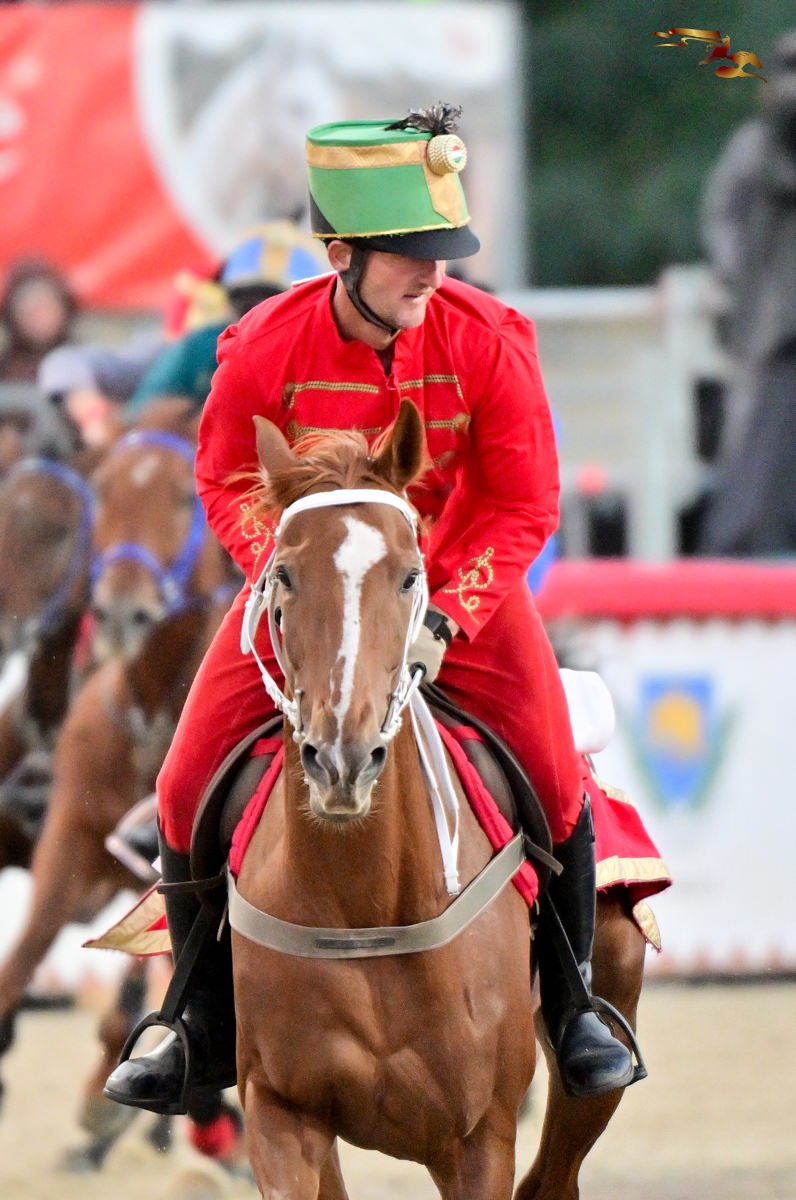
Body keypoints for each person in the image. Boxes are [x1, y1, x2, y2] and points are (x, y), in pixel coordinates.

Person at [104, 104, 637, 1116]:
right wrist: (290, 578)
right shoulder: (260, 345)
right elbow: (223, 478)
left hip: (461, 598)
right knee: (179, 785)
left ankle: (573, 1008)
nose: (433, 275)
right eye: (409, 257)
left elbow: (525, 502)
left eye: (443, 254)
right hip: (312, 596)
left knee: (555, 774)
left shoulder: (492, 339)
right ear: (341, 256)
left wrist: (447, 616)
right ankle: (195, 1019)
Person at [699, 30, 796, 554]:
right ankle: (746, 539)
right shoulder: (755, 147)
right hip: (768, 312)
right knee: (754, 428)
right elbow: (722, 219)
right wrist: (736, 276)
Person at [125, 221, 330, 419]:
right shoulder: (202, 344)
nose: (258, 318)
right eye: (246, 305)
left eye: (275, 307)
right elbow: (140, 414)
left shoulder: (322, 358)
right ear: (228, 303)